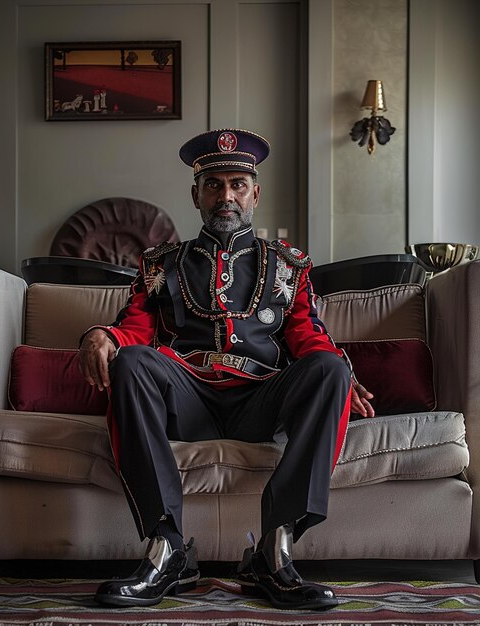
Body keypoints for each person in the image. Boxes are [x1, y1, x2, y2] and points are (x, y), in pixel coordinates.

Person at [78, 129, 374, 611]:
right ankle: (166, 548)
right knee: (132, 360)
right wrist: (104, 336)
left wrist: (341, 370)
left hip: (260, 399)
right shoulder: (160, 264)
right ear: (196, 194)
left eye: (238, 184)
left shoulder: (288, 265)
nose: (226, 196)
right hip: (187, 397)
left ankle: (274, 551)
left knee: (327, 369)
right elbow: (134, 326)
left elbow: (308, 335)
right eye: (214, 185)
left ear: (255, 193)